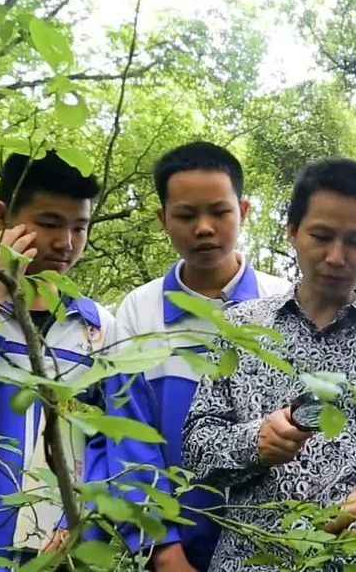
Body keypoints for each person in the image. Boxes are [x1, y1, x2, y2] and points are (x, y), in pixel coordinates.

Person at [182, 158, 356, 571]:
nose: (336, 257)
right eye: (321, 236)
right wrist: (256, 442)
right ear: (292, 231)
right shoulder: (242, 327)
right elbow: (197, 445)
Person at [0, 152, 161, 571]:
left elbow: (123, 448)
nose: (66, 243)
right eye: (49, 223)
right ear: (1, 216)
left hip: (59, 559)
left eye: (79, 227)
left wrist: (85, 526)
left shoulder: (99, 329)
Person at [112, 141, 290, 571]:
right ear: (163, 219)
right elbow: (128, 436)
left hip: (268, 547)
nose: (204, 228)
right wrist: (163, 550)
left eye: (219, 212)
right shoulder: (140, 312)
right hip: (174, 550)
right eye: (186, 215)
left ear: (242, 211)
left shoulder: (285, 302)